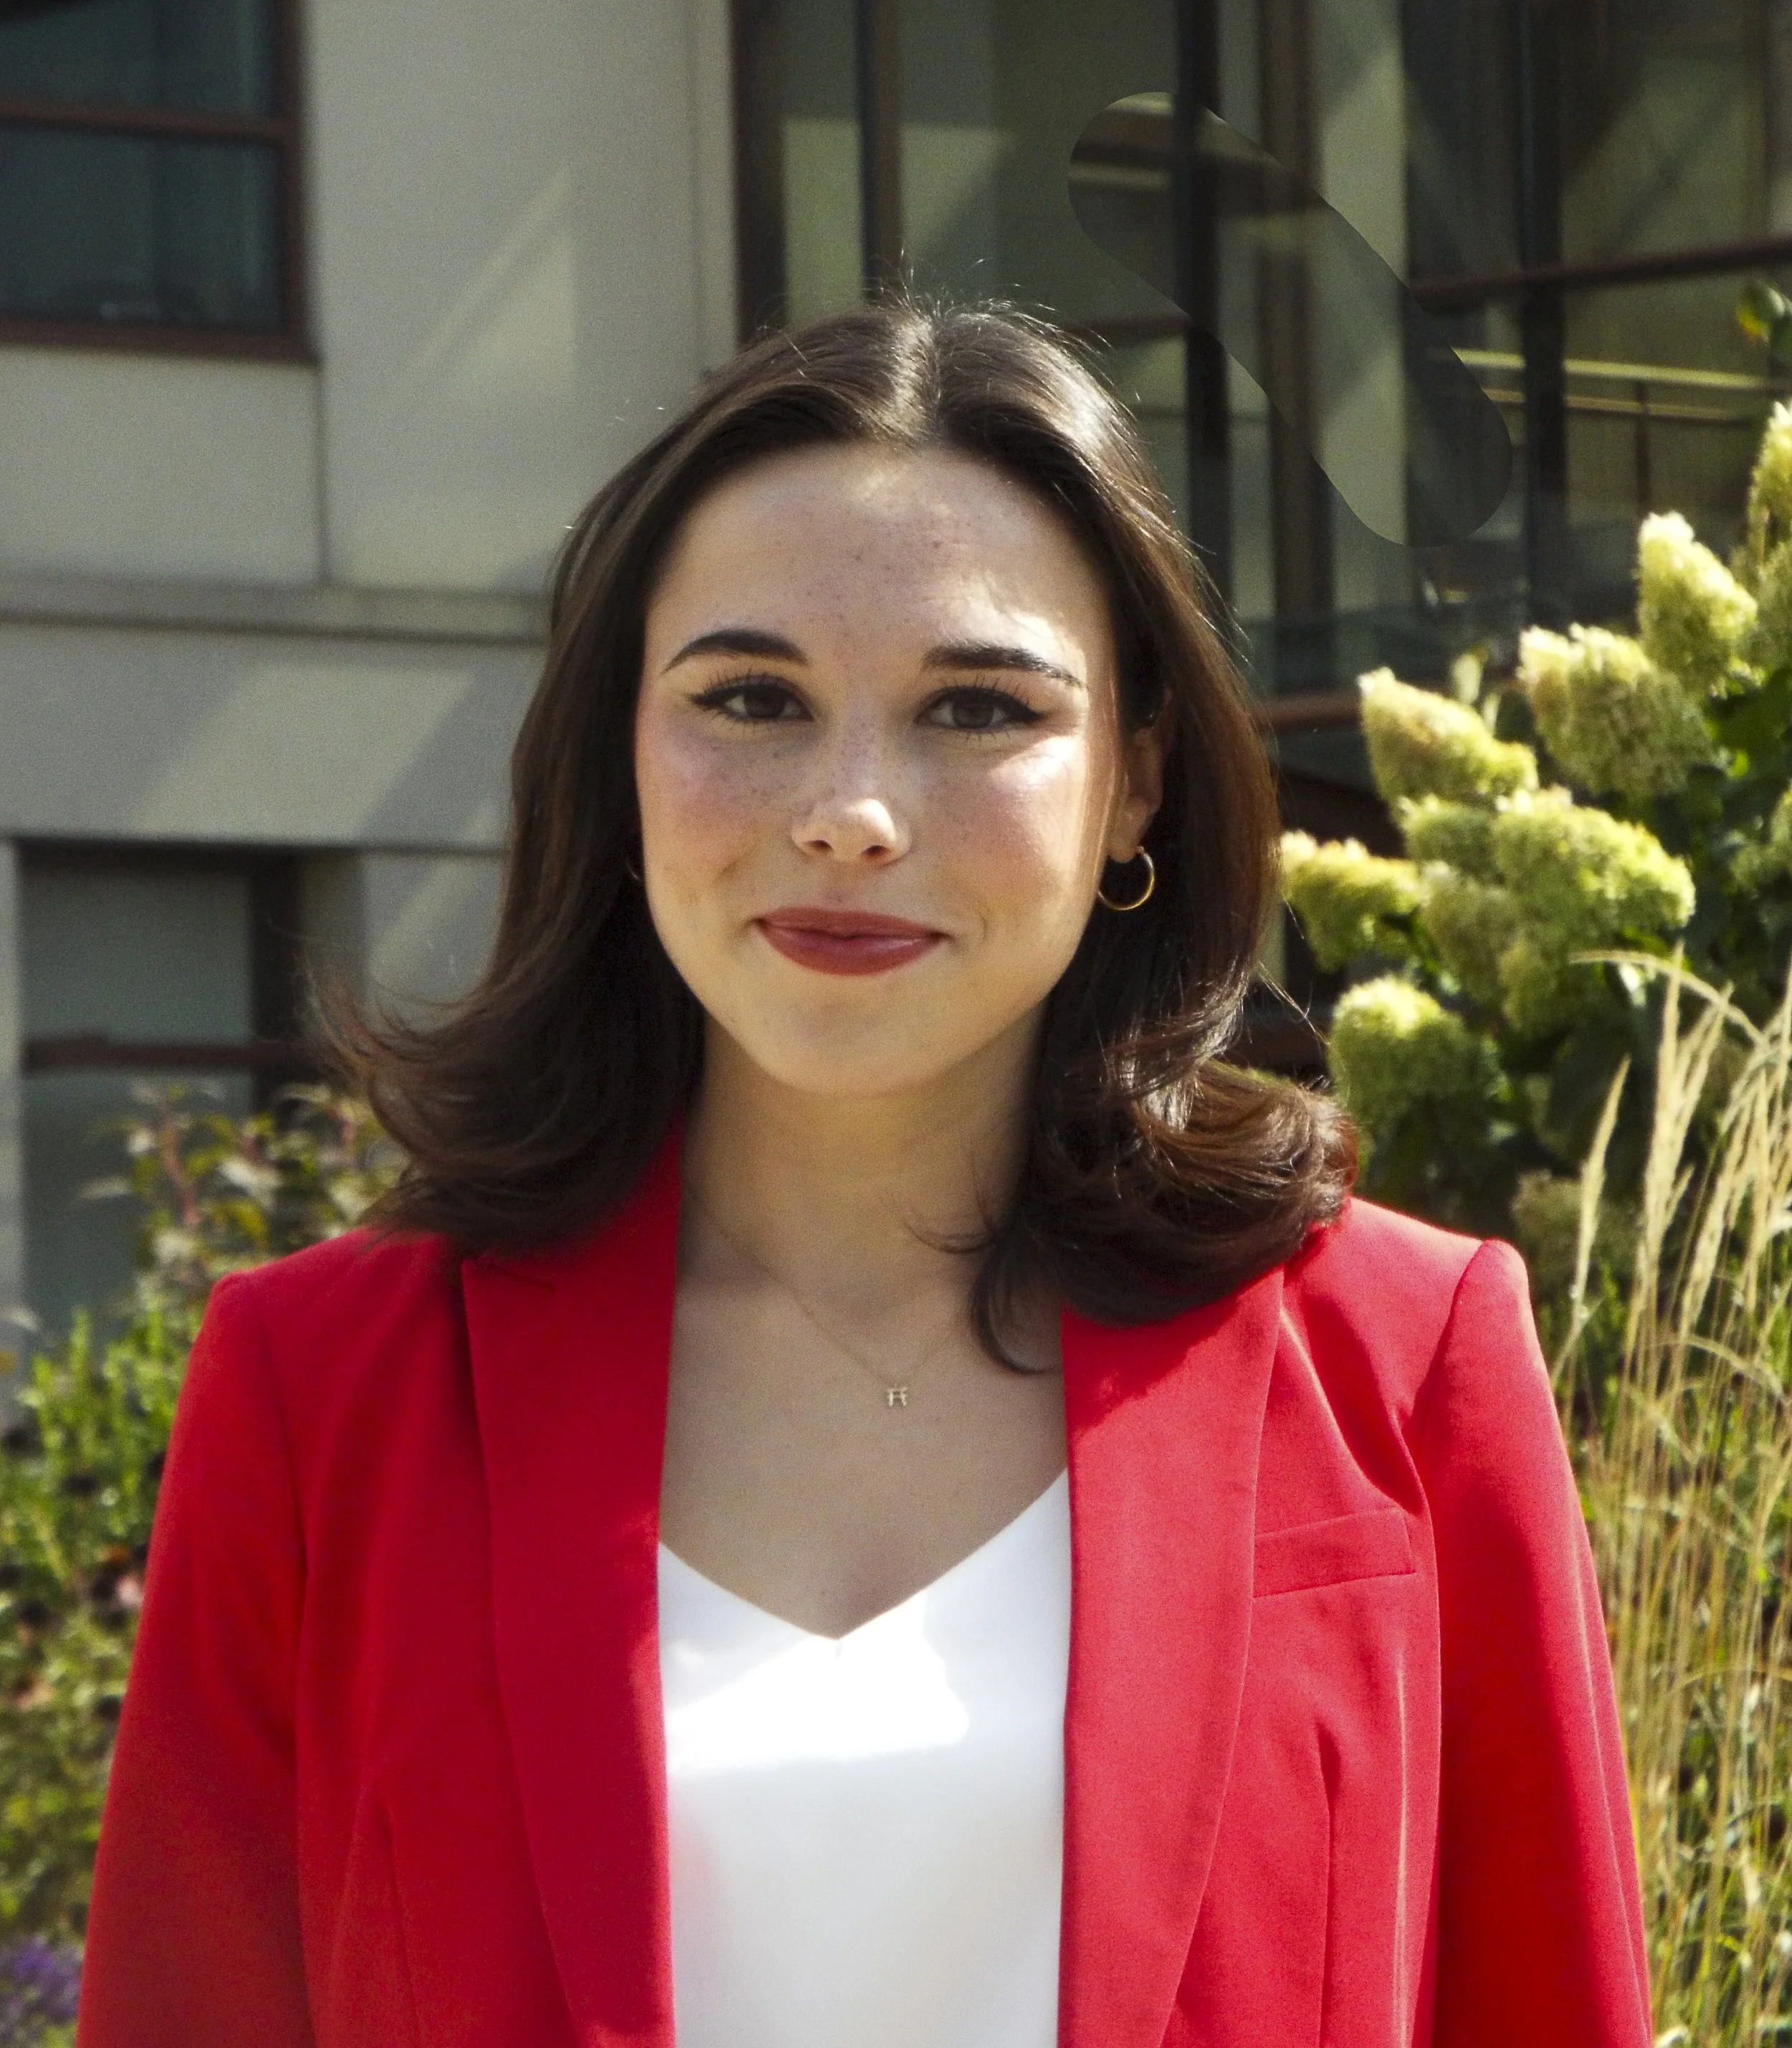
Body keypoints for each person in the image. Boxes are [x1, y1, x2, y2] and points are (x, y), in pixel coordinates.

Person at [76, 304, 1652, 2048]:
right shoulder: (322, 1394)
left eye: (975, 707)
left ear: (1130, 778)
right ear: (621, 756)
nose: (848, 813)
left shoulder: (1406, 1364)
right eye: (751, 697)